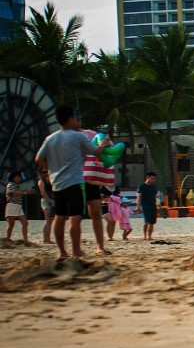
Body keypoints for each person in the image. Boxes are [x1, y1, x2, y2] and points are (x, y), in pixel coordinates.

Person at [34, 105, 101, 259]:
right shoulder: (78, 136)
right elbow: (95, 151)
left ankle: (62, 252)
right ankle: (76, 250)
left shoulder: (50, 138)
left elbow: (38, 159)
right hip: (75, 183)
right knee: (75, 217)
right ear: (70, 118)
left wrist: (50, 169)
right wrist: (103, 145)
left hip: (57, 185)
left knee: (59, 217)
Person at [80, 126, 116, 254]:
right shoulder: (66, 135)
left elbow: (109, 148)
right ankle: (75, 248)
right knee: (74, 215)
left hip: (91, 178)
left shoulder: (90, 133)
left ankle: (100, 247)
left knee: (95, 213)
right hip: (76, 178)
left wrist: (107, 142)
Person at [4, 171, 29, 242]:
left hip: (18, 206)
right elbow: (14, 193)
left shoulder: (16, 185)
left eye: (19, 177)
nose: (19, 178)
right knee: (11, 224)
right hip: (12, 206)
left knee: (25, 223)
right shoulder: (10, 184)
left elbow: (16, 193)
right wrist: (25, 193)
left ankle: (25, 240)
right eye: (17, 177)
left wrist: (25, 192)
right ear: (13, 178)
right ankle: (7, 239)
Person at [139, 170, 162, 241]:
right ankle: (144, 235)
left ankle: (150, 236)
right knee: (147, 221)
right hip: (145, 205)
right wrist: (138, 206)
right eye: (152, 178)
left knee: (152, 222)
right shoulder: (141, 186)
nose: (153, 180)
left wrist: (158, 205)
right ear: (147, 177)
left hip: (153, 205)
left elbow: (156, 197)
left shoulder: (154, 187)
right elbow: (139, 196)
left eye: (154, 179)